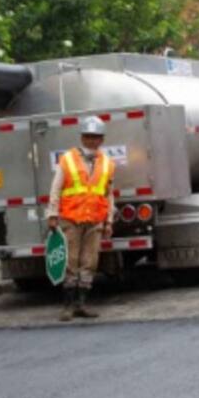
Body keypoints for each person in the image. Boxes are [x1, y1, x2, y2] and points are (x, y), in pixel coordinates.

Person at [45, 117, 115, 322]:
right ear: (82, 137)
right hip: (70, 219)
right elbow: (56, 188)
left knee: (89, 263)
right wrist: (52, 215)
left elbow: (108, 194)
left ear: (101, 139)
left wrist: (109, 220)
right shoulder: (67, 159)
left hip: (95, 221)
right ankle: (67, 307)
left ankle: (81, 304)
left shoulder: (108, 163)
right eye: (88, 136)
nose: (92, 140)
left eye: (96, 137)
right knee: (70, 262)